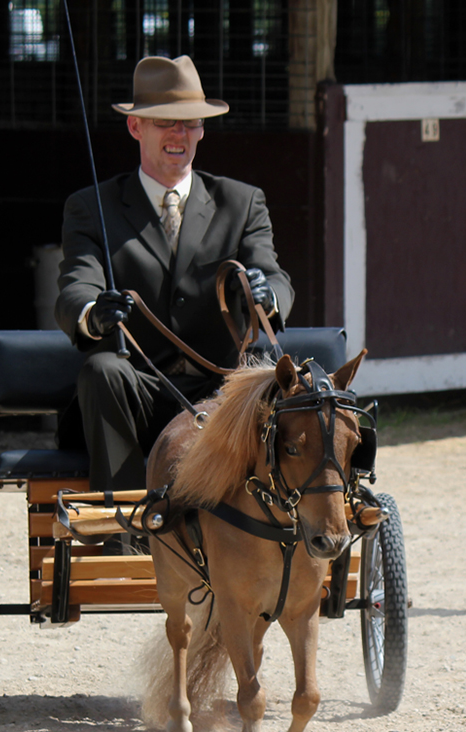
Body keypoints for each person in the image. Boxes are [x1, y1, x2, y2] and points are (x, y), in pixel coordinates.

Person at [56, 54, 295, 492]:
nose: (179, 134)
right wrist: (95, 311)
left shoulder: (242, 203)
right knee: (102, 370)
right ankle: (125, 533)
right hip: (139, 391)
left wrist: (266, 295)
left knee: (267, 381)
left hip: (220, 392)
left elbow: (274, 275)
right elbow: (76, 286)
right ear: (136, 127)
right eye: (166, 121)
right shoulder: (91, 208)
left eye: (191, 123)